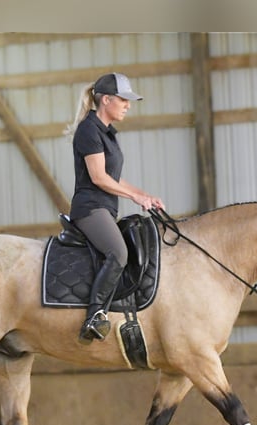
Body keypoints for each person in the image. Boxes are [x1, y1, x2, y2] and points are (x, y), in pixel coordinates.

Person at [65, 72, 165, 345]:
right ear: (106, 99)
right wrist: (134, 198)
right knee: (118, 252)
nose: (128, 105)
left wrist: (144, 195)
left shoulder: (107, 133)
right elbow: (98, 177)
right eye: (123, 100)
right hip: (90, 208)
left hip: (106, 207)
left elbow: (113, 177)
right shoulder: (89, 130)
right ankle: (95, 314)